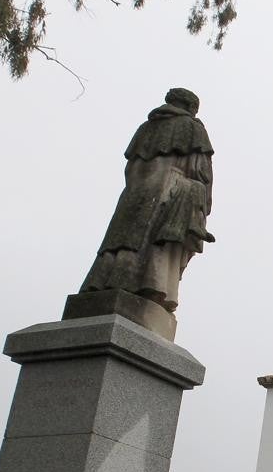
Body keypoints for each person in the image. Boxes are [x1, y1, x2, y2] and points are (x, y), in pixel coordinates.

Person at [80, 87, 215, 312]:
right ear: (192, 107)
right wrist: (203, 203)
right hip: (170, 191)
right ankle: (150, 289)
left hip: (134, 193)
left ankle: (105, 282)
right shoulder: (193, 129)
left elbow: (130, 167)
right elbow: (200, 172)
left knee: (122, 240)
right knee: (155, 245)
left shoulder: (145, 128)